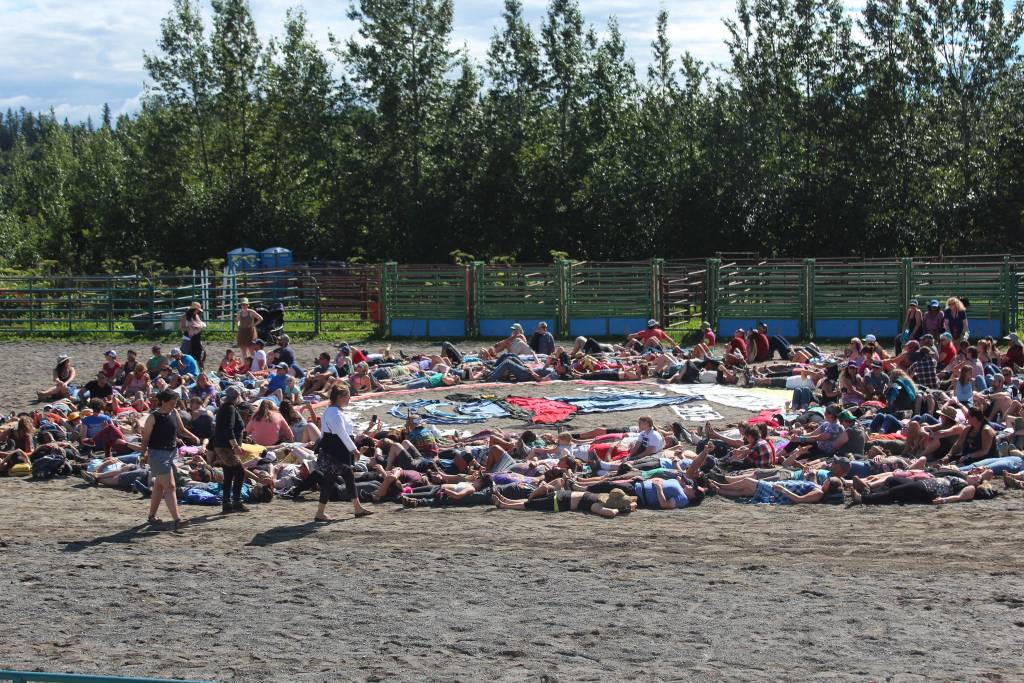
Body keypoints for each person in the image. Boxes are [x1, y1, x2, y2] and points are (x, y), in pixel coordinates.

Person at [140, 389, 199, 531]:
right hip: (157, 455)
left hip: (171, 454)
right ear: (164, 402)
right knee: (170, 486)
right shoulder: (153, 417)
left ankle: (152, 516)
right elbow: (145, 439)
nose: (174, 406)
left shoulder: (174, 412)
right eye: (172, 403)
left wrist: (194, 437)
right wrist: (142, 456)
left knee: (159, 486)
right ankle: (177, 519)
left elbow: (181, 429)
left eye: (176, 403)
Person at [315, 385, 373, 521]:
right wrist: (354, 449)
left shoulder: (333, 411)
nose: (349, 398)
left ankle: (356, 508)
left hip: (336, 450)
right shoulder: (334, 413)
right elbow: (341, 433)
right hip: (335, 451)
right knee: (335, 479)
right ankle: (321, 513)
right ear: (340, 397)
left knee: (343, 477)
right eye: (347, 396)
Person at [212, 386, 248, 514]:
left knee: (229, 474)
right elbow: (229, 429)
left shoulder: (224, 407)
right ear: (237, 396)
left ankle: (226, 503)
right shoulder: (230, 408)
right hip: (226, 448)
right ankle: (237, 501)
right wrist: (236, 446)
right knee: (240, 473)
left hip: (221, 446)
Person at [180, 302, 207, 369]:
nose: (198, 311)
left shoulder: (196, 316)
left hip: (197, 338)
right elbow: (182, 328)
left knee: (199, 356)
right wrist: (190, 328)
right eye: (197, 310)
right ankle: (185, 369)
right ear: (193, 309)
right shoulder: (184, 316)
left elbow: (200, 324)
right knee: (185, 355)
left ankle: (201, 372)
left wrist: (199, 327)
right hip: (188, 338)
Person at [236, 298, 262, 362]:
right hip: (242, 332)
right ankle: (245, 364)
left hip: (250, 332)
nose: (244, 306)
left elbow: (260, 318)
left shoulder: (251, 312)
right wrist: (239, 325)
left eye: (245, 304)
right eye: (242, 305)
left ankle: (254, 364)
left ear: (248, 305)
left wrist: (253, 325)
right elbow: (237, 321)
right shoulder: (239, 312)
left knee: (251, 349)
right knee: (243, 350)